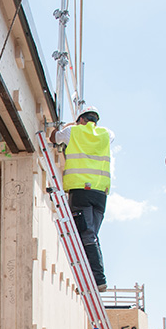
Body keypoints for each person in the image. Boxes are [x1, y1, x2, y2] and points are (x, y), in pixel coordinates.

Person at [53, 106, 111, 291]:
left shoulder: (73, 131)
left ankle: (98, 279)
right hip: (100, 193)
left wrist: (67, 125)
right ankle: (92, 279)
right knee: (91, 236)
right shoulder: (106, 134)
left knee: (86, 235)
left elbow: (53, 137)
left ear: (81, 120)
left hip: (81, 190)